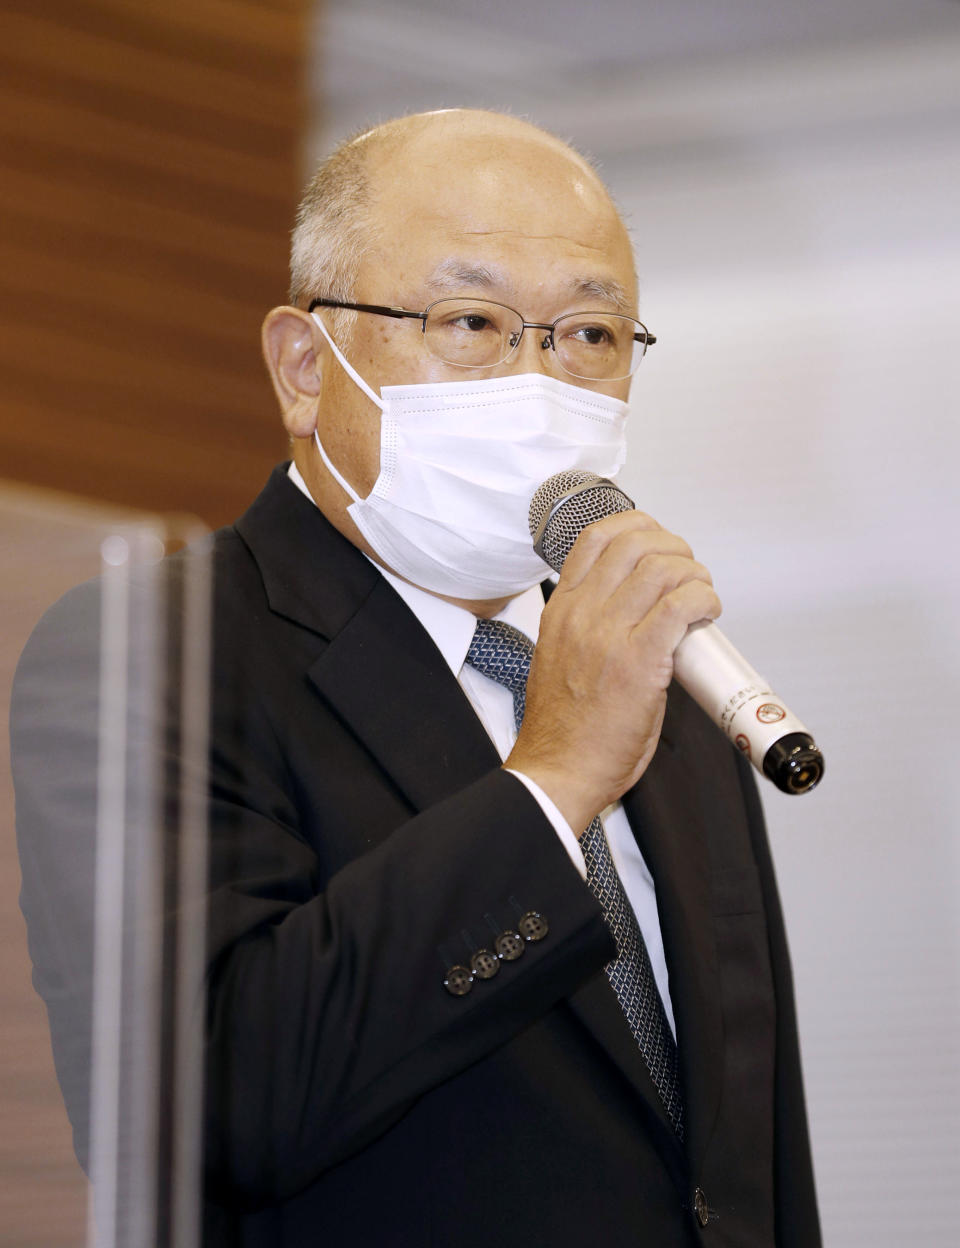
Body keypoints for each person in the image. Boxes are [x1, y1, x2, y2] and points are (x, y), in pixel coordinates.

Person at [13, 109, 820, 1246]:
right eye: (472, 320)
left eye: (589, 335)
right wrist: (549, 785)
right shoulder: (155, 650)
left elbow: (745, 1162)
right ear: (304, 367)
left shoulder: (646, 672)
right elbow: (215, 1098)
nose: (539, 379)